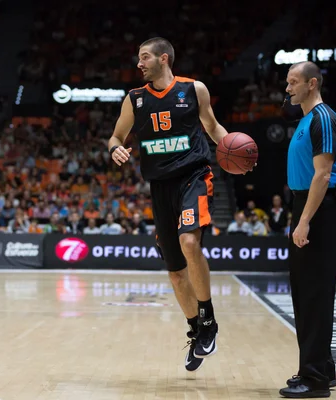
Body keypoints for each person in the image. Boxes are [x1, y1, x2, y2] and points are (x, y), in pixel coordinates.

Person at [108, 37, 243, 372]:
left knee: (188, 241)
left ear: (163, 59)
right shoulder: (135, 99)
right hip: (160, 186)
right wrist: (114, 149)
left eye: (144, 57)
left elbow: (211, 126)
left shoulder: (193, 89)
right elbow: (115, 136)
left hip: (194, 176)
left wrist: (232, 148)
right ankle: (196, 329)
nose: (139, 64)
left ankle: (208, 318)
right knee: (175, 274)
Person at [280, 61, 336, 398]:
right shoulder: (305, 119)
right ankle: (321, 368)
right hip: (305, 206)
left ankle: (315, 379)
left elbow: (323, 174)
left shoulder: (323, 118)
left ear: (312, 84)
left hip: (318, 210)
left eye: (293, 82)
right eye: (287, 82)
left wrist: (304, 220)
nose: (287, 88)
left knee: (315, 295)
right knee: (305, 294)